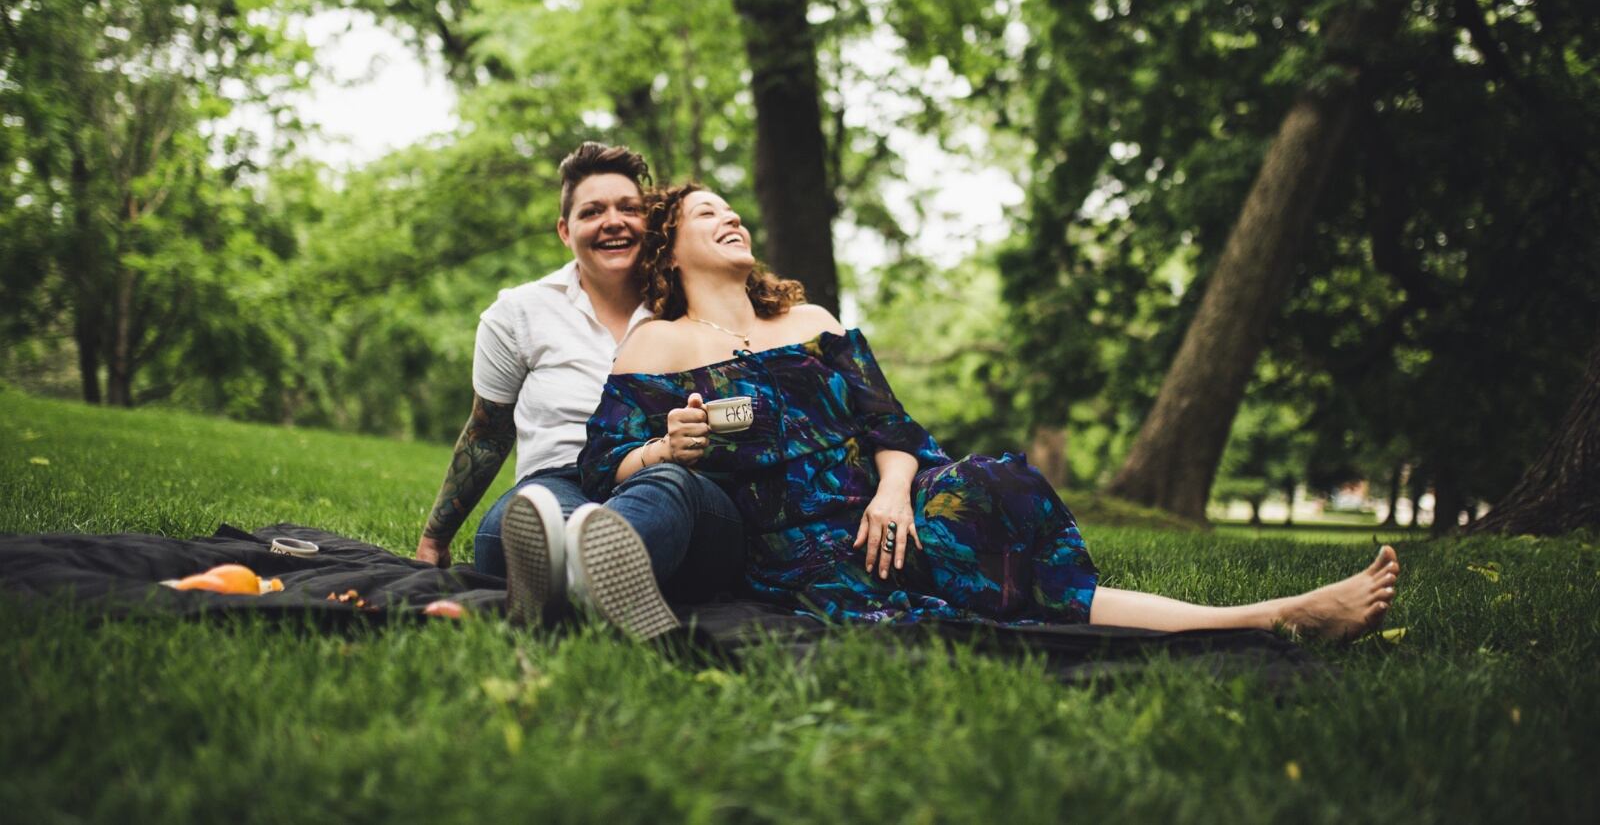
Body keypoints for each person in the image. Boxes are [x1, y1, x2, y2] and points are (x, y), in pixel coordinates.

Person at [578, 183, 1400, 637]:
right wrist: (666, 450)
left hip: (885, 509)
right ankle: (1265, 620)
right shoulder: (659, 347)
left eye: (733, 207)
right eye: (707, 212)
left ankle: (1262, 617)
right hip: (800, 547)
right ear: (667, 249)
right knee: (998, 600)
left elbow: (889, 431)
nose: (732, 217)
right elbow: (601, 464)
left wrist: (895, 491)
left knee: (995, 504)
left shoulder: (813, 324)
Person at [414, 147, 744, 639]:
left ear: (652, 225)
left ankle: (556, 599)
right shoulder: (519, 314)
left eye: (628, 209)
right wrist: (433, 539)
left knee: (667, 487)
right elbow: (487, 434)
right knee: (534, 513)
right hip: (556, 485)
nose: (613, 222)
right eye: (592, 212)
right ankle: (599, 590)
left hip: (674, 490)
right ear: (565, 231)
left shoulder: (690, 305)